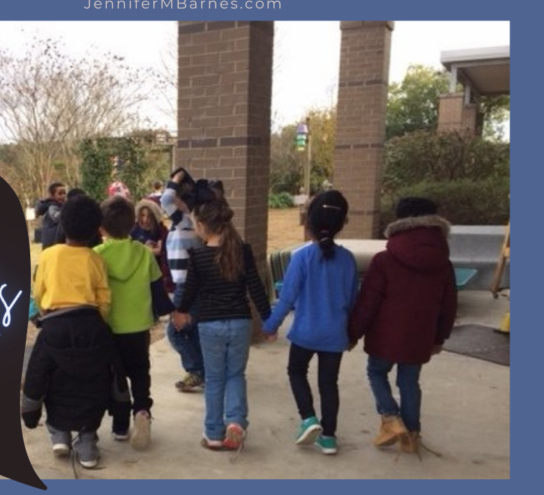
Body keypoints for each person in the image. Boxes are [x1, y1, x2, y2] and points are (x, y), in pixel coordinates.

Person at [348, 197, 457, 454]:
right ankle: (412, 435)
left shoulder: (384, 260)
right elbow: (448, 305)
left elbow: (368, 303)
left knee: (376, 372)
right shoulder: (444, 263)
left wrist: (353, 333)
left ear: (399, 222)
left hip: (385, 335)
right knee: (409, 383)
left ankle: (390, 418)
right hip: (420, 337)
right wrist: (440, 337)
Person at [21, 194, 121, 470]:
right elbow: (104, 299)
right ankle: (87, 443)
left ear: (63, 224)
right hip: (91, 325)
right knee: (91, 381)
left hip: (54, 325)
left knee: (51, 378)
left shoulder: (49, 256)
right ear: (94, 229)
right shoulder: (95, 259)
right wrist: (97, 322)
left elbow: (39, 293)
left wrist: (44, 314)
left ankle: (59, 433)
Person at [262, 190, 358, 456]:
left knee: (296, 371)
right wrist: (352, 333)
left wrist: (270, 326)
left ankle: (308, 419)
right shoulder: (348, 260)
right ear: (341, 224)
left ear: (309, 223)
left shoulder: (301, 258)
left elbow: (286, 299)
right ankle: (328, 437)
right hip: (335, 335)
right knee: (329, 384)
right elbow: (353, 302)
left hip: (305, 333)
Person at [175, 199, 271, 451]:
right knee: (235, 375)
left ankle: (214, 434)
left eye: (195, 224)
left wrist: (181, 312)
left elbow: (191, 290)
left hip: (210, 325)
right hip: (240, 323)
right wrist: (268, 320)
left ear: (203, 225)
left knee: (215, 379)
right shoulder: (242, 250)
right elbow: (256, 287)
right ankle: (236, 423)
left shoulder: (198, 255)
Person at [94, 196, 168, 450]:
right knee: (139, 373)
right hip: (138, 328)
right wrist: (172, 313)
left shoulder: (96, 256)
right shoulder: (144, 253)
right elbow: (158, 291)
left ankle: (120, 426)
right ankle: (143, 412)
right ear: (133, 223)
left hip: (109, 328)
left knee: (116, 378)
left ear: (101, 227)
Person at [160, 169, 206, 392]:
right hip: (191, 285)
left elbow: (165, 199)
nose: (173, 198)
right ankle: (202, 371)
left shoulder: (185, 221)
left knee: (175, 330)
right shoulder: (189, 223)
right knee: (192, 329)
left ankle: (196, 369)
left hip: (186, 286)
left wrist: (177, 176)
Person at [131, 199, 174, 293]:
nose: (145, 219)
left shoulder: (160, 230)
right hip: (138, 273)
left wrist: (141, 249)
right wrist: (146, 249)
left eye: (149, 216)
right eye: (142, 215)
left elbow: (159, 251)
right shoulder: (134, 229)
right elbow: (130, 251)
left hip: (156, 273)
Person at [35, 181, 67, 249]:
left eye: (64, 193)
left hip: (54, 243)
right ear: (52, 195)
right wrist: (68, 211)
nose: (63, 196)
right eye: (60, 194)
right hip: (52, 243)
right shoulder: (52, 206)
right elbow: (56, 217)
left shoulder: (59, 206)